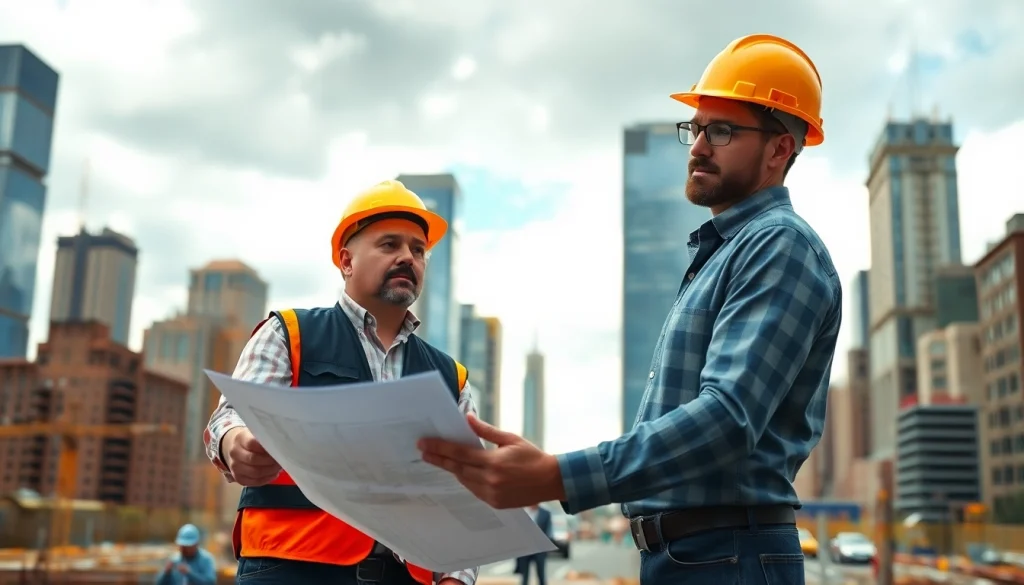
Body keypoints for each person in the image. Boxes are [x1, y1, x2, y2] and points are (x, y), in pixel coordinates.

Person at [418, 33, 842, 585]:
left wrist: (556, 476)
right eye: (695, 128)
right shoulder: (726, 253)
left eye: (721, 130)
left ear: (780, 149)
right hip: (696, 554)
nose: (697, 147)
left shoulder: (779, 247)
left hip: (727, 554)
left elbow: (728, 420)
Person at [203, 179, 480, 585]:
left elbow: (468, 493)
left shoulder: (450, 379)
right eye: (389, 245)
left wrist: (457, 577)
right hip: (289, 569)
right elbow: (226, 421)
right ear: (347, 261)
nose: (408, 257)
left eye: (417, 250)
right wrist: (235, 444)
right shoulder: (290, 335)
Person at [514, 504, 552, 585]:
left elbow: (548, 532)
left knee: (541, 575)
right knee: (524, 576)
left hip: (540, 549)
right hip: (525, 550)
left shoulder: (545, 513)